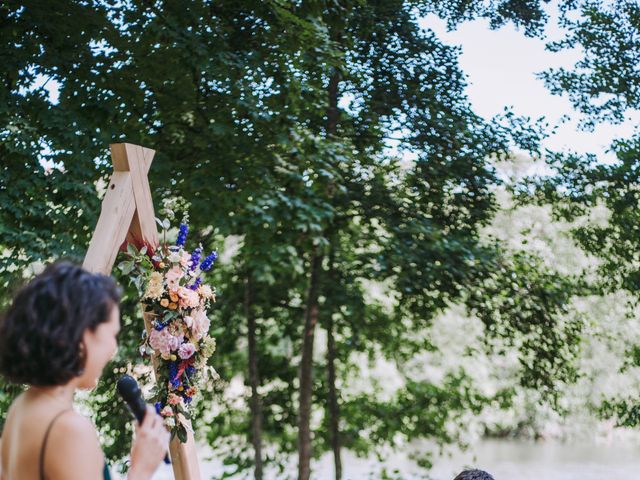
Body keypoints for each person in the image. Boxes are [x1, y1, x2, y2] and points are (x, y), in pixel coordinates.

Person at [0, 262, 170, 480]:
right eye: (111, 335)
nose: (112, 349)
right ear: (82, 336)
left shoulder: (22, 406)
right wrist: (141, 470)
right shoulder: (69, 430)